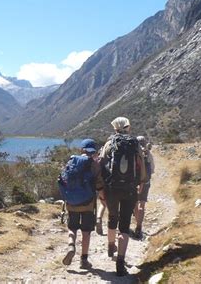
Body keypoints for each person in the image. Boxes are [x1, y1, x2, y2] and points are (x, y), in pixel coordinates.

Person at [99, 117, 147, 277]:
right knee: (125, 225)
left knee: (112, 218)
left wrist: (101, 188)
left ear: (115, 128)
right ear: (127, 127)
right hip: (130, 188)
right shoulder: (135, 143)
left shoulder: (109, 143)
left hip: (112, 188)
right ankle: (120, 262)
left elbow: (101, 164)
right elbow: (141, 164)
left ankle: (111, 246)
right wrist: (141, 182)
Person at [61, 139, 106, 268]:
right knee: (86, 232)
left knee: (72, 228)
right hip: (88, 204)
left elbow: (64, 180)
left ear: (82, 150)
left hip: (72, 203)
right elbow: (99, 185)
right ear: (94, 151)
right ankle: (84, 260)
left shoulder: (71, 161)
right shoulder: (94, 165)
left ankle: (71, 246)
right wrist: (103, 198)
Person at [132, 136, 155, 240]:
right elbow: (152, 169)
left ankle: (136, 223)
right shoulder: (148, 154)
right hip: (145, 182)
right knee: (142, 204)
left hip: (134, 182)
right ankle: (139, 227)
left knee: (135, 204)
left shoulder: (133, 153)